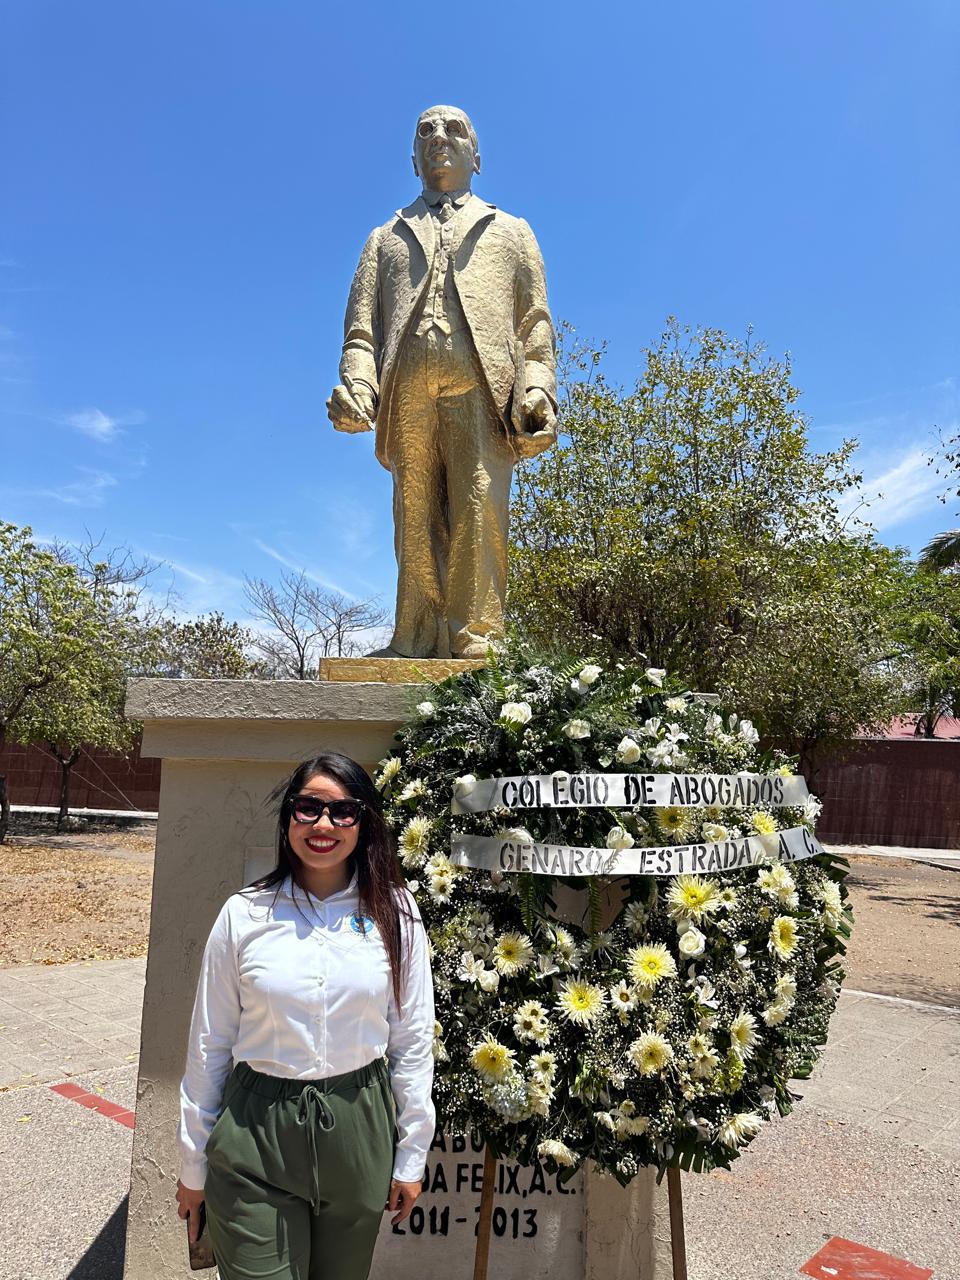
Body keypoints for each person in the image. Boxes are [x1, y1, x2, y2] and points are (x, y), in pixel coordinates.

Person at [174, 751, 435, 1280]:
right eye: (307, 808)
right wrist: (192, 1166)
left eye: (343, 811)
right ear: (287, 818)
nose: (323, 824)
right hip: (256, 1129)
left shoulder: (398, 914)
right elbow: (210, 1043)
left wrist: (411, 1155)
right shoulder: (245, 914)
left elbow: (411, 1041)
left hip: (357, 1123)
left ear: (365, 823)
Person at [326, 104, 557, 660]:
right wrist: (359, 388)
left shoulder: (512, 231)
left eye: (454, 130)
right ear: (413, 158)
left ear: (476, 156)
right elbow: (362, 333)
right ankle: (414, 636)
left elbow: (535, 323)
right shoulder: (384, 238)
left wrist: (538, 388)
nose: (439, 137)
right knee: (415, 511)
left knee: (480, 505)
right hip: (406, 389)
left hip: (483, 385)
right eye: (426, 131)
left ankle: (477, 636)